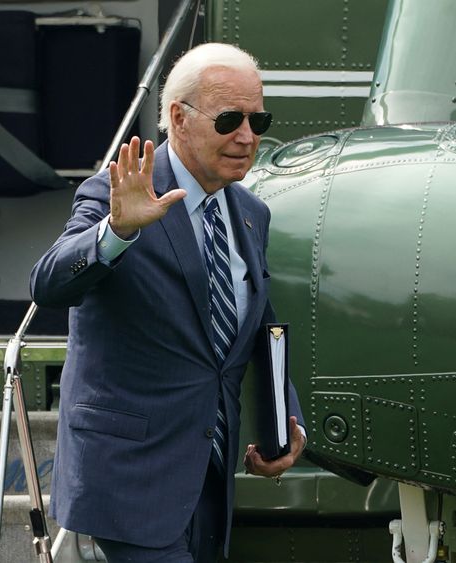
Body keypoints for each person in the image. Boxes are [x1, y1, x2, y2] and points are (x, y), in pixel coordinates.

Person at [30, 42, 306, 562]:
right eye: (229, 120)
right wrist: (116, 232)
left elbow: (256, 329)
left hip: (209, 474)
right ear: (178, 118)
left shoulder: (251, 213)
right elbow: (48, 283)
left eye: (258, 119)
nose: (248, 137)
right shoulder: (116, 193)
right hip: (129, 477)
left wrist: (284, 421)